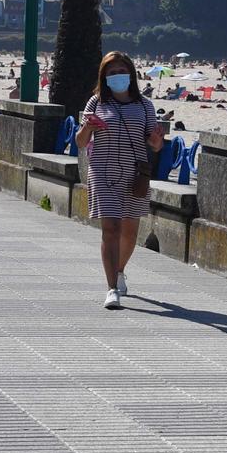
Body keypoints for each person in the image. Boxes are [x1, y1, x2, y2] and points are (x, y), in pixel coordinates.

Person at [78, 51, 163, 309]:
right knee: (111, 229)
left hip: (134, 173)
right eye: (112, 73)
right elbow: (81, 142)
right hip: (103, 171)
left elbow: (154, 144)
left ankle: (120, 270)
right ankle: (111, 288)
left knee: (129, 231)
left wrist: (157, 141)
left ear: (131, 74)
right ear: (104, 77)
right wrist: (88, 128)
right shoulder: (96, 103)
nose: (117, 76)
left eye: (121, 71)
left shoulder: (144, 105)